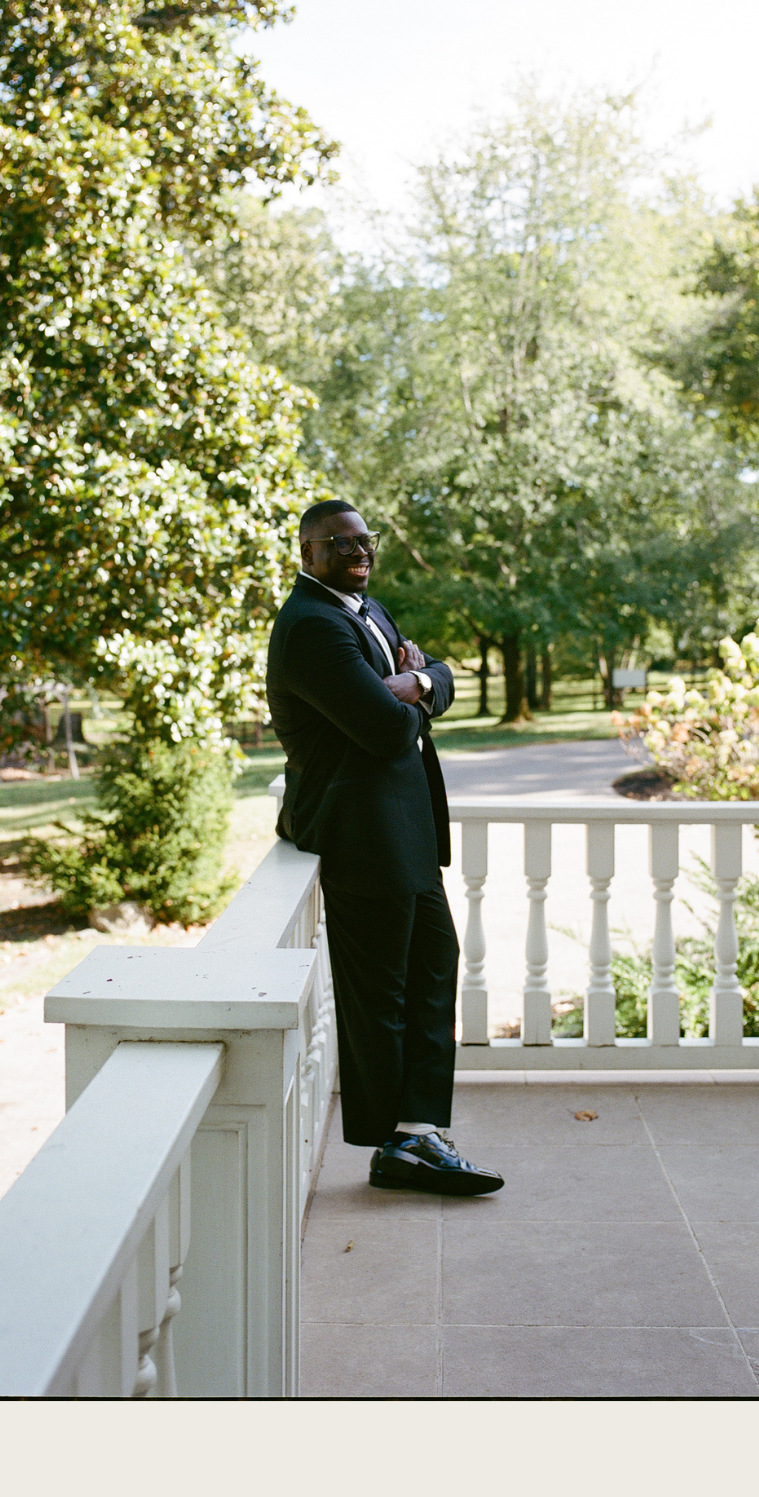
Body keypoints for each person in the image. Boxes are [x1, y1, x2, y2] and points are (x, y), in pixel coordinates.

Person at [266, 499, 503, 1196]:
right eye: (338, 543)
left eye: (365, 540)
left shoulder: (366, 609)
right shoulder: (311, 627)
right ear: (307, 552)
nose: (358, 552)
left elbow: (443, 683)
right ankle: (392, 1145)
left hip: (402, 831)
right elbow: (387, 731)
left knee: (434, 964)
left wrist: (418, 682)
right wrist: (408, 694)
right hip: (357, 832)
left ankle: (420, 1133)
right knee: (383, 995)